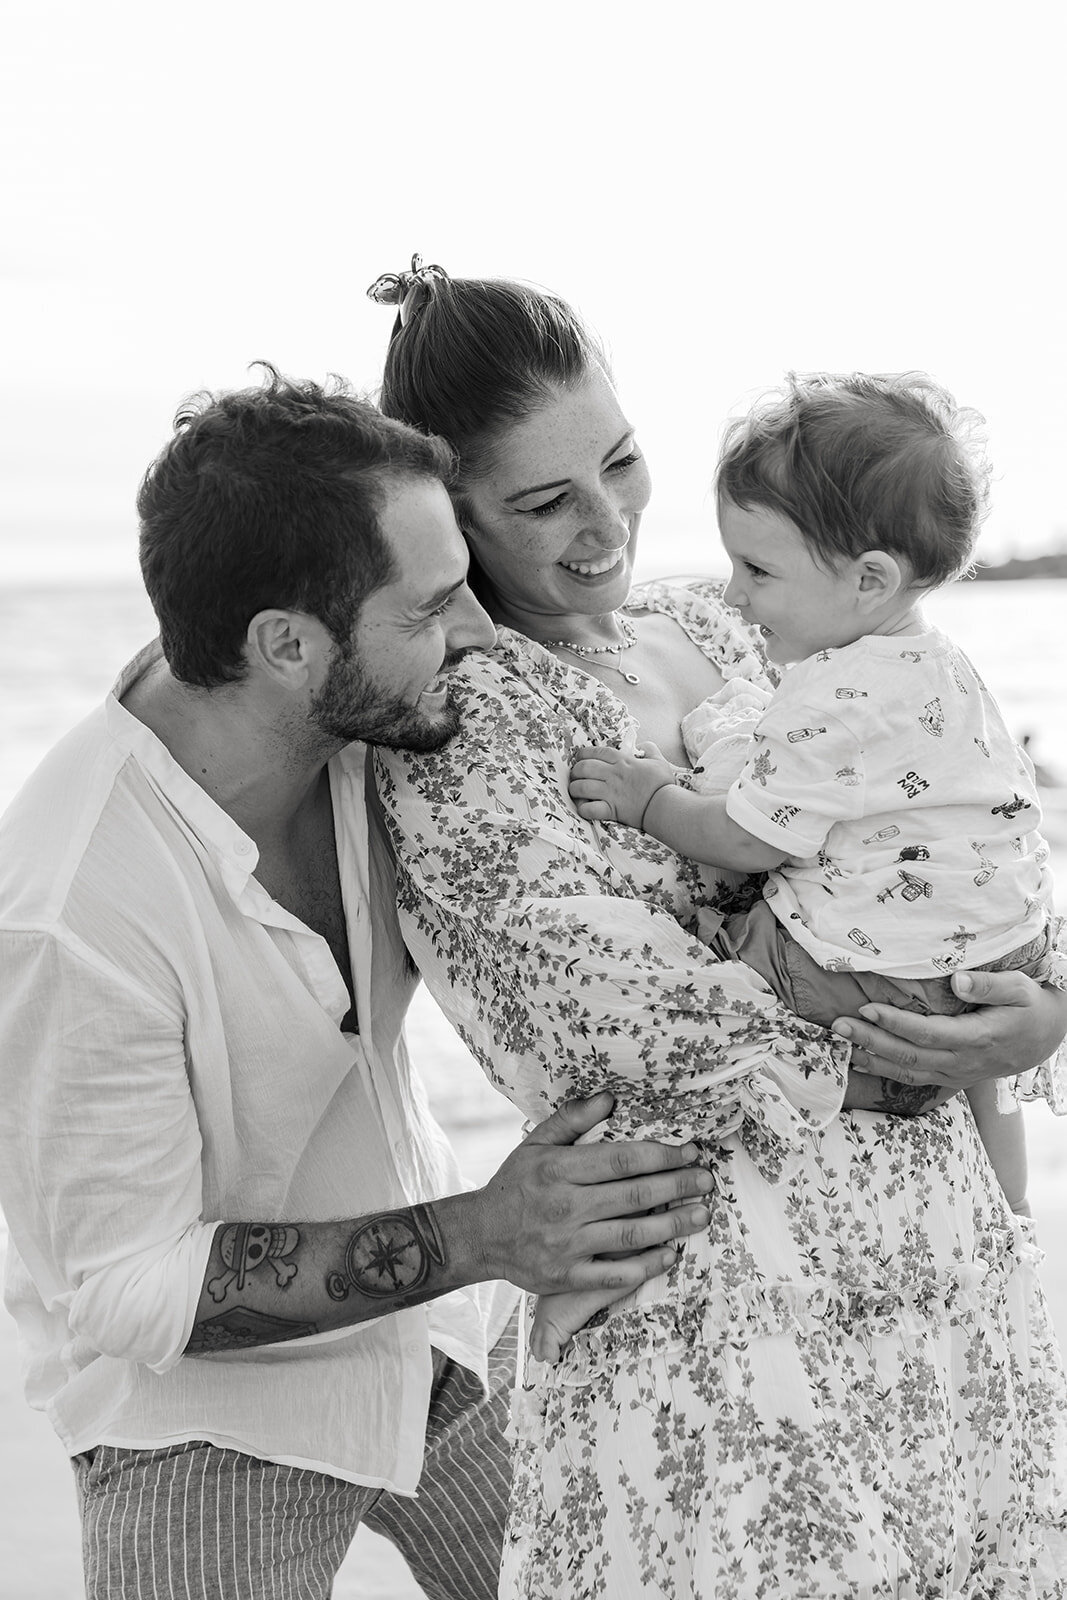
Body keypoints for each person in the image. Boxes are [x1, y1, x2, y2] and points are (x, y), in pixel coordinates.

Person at [368, 262, 1067, 1598]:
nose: (600, 524)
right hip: (717, 1321)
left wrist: (1032, 1004)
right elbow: (601, 1024)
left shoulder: (731, 619)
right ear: (450, 516)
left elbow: (960, 833)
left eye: (619, 465)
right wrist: (908, 1047)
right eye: (539, 501)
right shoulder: (463, 730)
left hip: (942, 1286)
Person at [0, 369, 724, 1600]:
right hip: (209, 1421)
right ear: (287, 646)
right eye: (431, 609)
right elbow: (127, 1286)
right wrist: (487, 1233)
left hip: (450, 1341)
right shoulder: (72, 909)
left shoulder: (382, 727)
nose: (475, 637)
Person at [566, 372, 1051, 1253]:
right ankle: (1007, 1211)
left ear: (869, 579)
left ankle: (833, 1108)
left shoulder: (835, 695)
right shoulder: (946, 667)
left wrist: (651, 800)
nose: (732, 596)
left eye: (757, 570)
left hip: (878, 971)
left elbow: (745, 840)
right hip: (996, 948)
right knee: (984, 1078)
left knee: (738, 966)